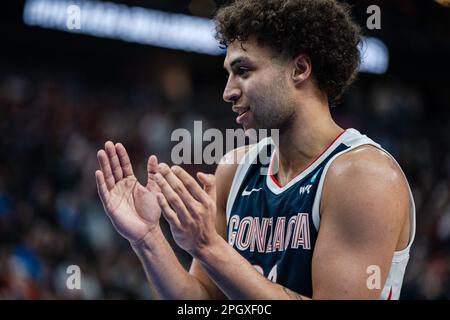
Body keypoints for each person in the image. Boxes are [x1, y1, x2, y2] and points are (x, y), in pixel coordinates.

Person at [95, 0, 415, 299]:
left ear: (299, 69)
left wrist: (207, 246)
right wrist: (147, 238)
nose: (228, 92)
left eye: (243, 71)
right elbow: (200, 299)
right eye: (229, 74)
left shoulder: (365, 178)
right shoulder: (236, 168)